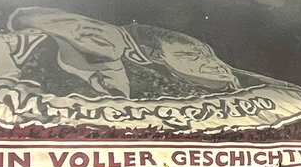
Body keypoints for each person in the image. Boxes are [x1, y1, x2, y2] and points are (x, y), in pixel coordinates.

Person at [10, 8, 183, 100]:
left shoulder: (173, 82)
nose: (91, 29)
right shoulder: (34, 91)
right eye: (68, 24)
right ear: (39, 34)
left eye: (96, 22)